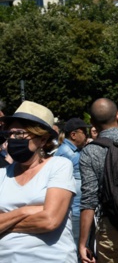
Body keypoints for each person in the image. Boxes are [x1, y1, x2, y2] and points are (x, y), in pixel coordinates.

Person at [0, 100, 77, 262]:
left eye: (20, 134)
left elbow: (49, 220)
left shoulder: (59, 166)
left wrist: (5, 221)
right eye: (10, 134)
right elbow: (44, 217)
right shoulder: (2, 175)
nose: (13, 139)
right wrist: (25, 211)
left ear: (42, 139)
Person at [79, 98, 118, 263]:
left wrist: (83, 243)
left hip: (111, 226)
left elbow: (89, 199)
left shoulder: (90, 151)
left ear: (92, 122)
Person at [55, 117, 91, 250]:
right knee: (76, 246)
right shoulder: (65, 152)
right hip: (74, 210)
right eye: (84, 132)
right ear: (74, 135)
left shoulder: (75, 151)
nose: (86, 135)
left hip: (81, 208)